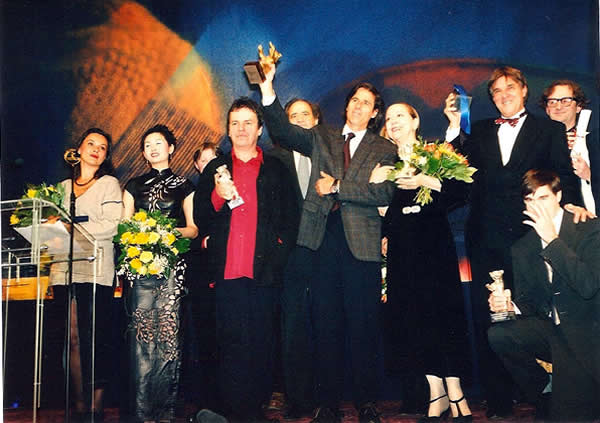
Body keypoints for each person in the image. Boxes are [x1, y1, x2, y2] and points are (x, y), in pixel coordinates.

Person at [443, 66, 589, 417]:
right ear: (491, 98)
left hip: (532, 241)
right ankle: (497, 400)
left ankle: (548, 395)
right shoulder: (476, 131)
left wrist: (575, 208)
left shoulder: (549, 130)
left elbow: (563, 177)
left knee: (534, 316)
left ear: (524, 91)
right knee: (490, 317)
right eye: (496, 91)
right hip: (485, 240)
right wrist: (452, 127)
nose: (504, 94)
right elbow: (454, 172)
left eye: (510, 88)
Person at [259, 66, 397, 423]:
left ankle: (368, 403)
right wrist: (269, 88)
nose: (358, 107)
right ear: (346, 106)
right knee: (326, 324)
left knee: (364, 325)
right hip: (321, 240)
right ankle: (328, 404)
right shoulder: (323, 137)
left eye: (366, 103)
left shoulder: (385, 148)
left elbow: (382, 191)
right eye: (355, 101)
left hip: (362, 246)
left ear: (374, 112)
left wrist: (336, 187)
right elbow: (284, 131)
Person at [195, 97, 298, 422]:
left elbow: (290, 219)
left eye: (248, 123)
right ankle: (235, 413)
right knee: (231, 344)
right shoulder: (215, 168)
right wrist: (217, 196)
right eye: (235, 123)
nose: (241, 129)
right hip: (226, 272)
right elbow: (200, 215)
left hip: (264, 272)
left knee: (262, 343)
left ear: (259, 128)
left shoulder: (276, 168)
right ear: (228, 129)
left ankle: (254, 409)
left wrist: (278, 255)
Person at [370, 103, 472, 422]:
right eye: (389, 118)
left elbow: (462, 190)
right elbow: (385, 209)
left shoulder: (436, 153)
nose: (394, 121)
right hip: (402, 254)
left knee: (445, 318)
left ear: (415, 121)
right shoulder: (385, 162)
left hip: (434, 250)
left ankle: (457, 393)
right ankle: (436, 395)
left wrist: (424, 181)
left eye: (400, 115)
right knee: (414, 322)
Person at [487, 169, 600, 421]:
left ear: (558, 196)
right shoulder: (523, 246)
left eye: (543, 198)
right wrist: (510, 305)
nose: (536, 206)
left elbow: (588, 285)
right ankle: (546, 391)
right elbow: (530, 303)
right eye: (530, 200)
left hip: (588, 332)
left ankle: (563, 395)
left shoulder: (589, 229)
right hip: (553, 331)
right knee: (500, 333)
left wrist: (552, 240)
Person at [123, 124, 198, 423]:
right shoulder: (132, 185)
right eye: (147, 144)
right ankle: (140, 414)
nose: (153, 148)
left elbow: (192, 229)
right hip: (139, 270)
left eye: (159, 143)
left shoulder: (185, 185)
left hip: (171, 269)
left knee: (168, 337)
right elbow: (124, 228)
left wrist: (163, 231)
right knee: (141, 339)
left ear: (171, 148)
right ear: (143, 153)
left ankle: (165, 414)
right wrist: (141, 235)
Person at [47, 127, 122, 421]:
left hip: (96, 268)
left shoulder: (109, 184)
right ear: (77, 150)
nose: (95, 149)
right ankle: (79, 406)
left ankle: (96, 407)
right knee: (73, 338)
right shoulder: (61, 188)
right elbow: (52, 229)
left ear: (105, 157)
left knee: (95, 338)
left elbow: (112, 225)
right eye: (90, 143)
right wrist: (50, 226)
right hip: (64, 269)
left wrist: (72, 228)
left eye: (102, 147)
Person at [267, 97, 320, 417]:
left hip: (326, 250)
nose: (299, 119)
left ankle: (327, 394)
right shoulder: (275, 159)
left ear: (316, 119)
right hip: (289, 255)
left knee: (326, 323)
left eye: (305, 114)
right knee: (293, 326)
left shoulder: (331, 153)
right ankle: (297, 397)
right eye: (293, 116)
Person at [540, 79, 599, 214]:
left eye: (565, 101)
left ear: (578, 107)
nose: (558, 107)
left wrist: (589, 175)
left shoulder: (593, 141)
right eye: (552, 101)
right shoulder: (536, 143)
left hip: (587, 218)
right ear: (547, 109)